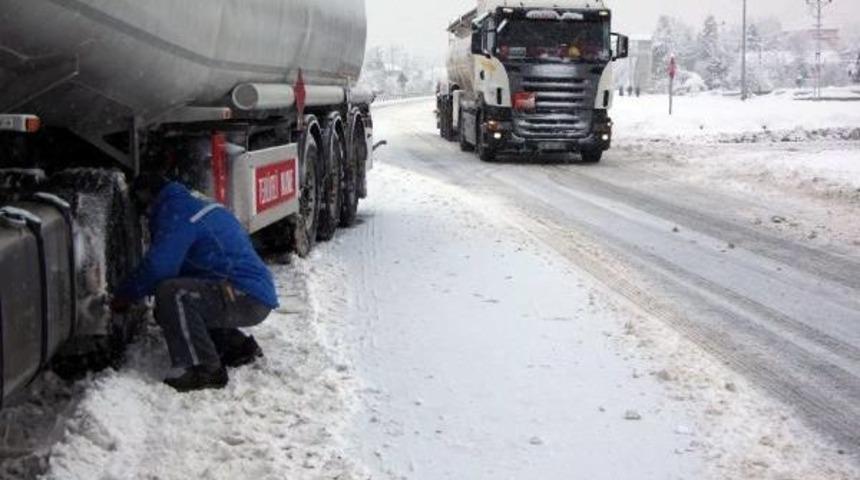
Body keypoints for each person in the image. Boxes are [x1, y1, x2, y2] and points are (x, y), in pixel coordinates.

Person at [111, 173, 279, 392]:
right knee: (176, 306)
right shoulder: (193, 204)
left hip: (244, 296)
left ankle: (204, 369)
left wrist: (123, 295)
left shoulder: (177, 214)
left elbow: (158, 267)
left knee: (173, 294)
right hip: (250, 293)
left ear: (148, 198)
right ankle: (235, 347)